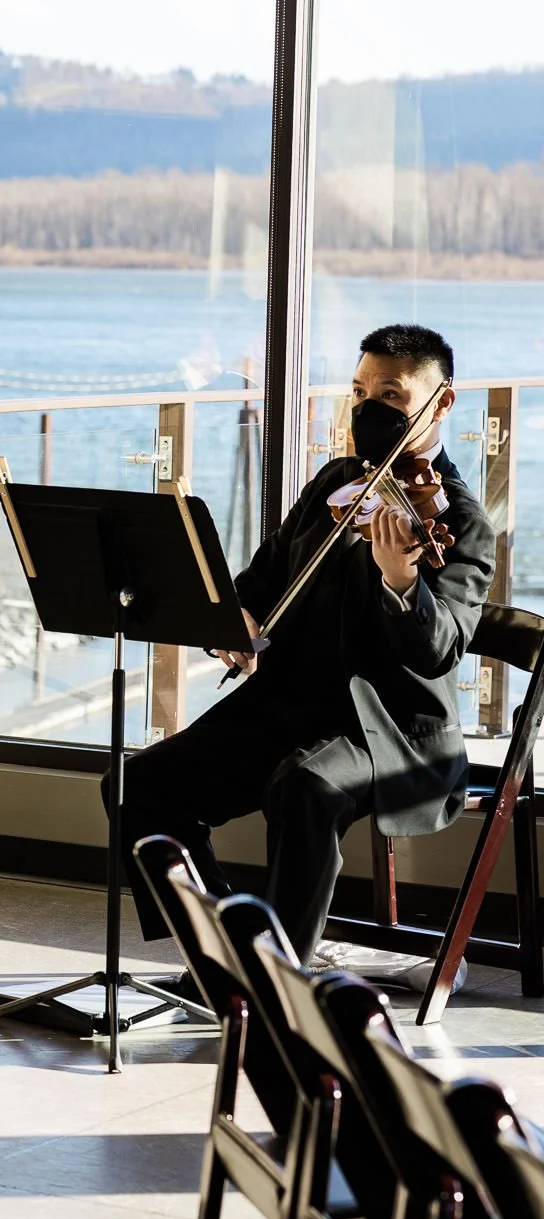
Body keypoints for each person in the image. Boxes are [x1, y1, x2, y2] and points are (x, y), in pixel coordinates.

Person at [115, 323, 494, 980]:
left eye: (392, 396)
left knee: (306, 784)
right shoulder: (336, 481)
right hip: (288, 704)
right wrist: (238, 618)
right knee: (138, 787)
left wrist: (402, 579)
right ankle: (221, 949)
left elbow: (436, 650)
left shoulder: (454, 517)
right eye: (359, 390)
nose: (368, 408)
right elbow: (263, 578)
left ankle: (275, 975)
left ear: (442, 404)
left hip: (389, 730)